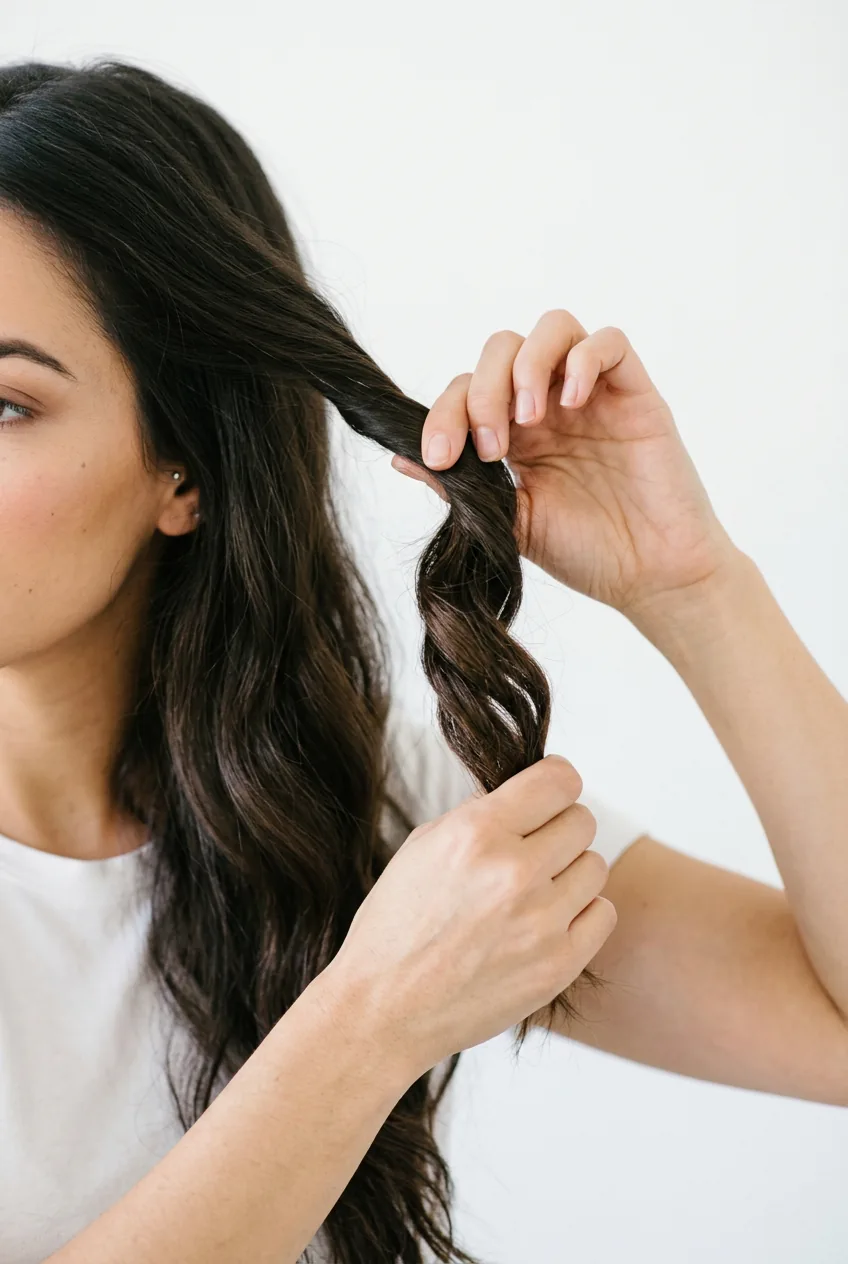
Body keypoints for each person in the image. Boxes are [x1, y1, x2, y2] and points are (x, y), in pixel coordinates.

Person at [0, 56, 846, 1264]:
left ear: (182, 469)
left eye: (3, 405)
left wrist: (691, 584)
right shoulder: (406, 925)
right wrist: (370, 1021)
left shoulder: (362, 798)